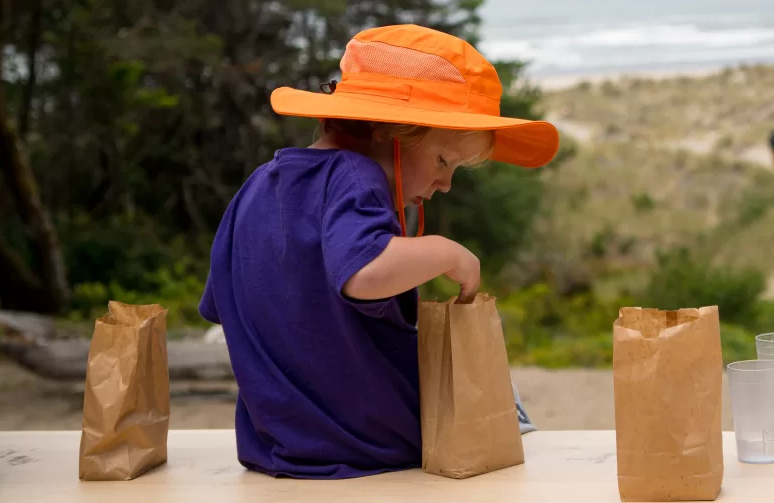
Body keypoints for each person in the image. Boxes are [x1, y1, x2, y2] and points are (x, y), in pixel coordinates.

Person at [199, 24, 559, 479]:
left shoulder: (254, 189)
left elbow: (223, 304)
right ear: (389, 130)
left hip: (275, 447)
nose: (445, 184)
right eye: (444, 161)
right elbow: (364, 274)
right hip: (372, 444)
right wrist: (445, 252)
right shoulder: (355, 173)